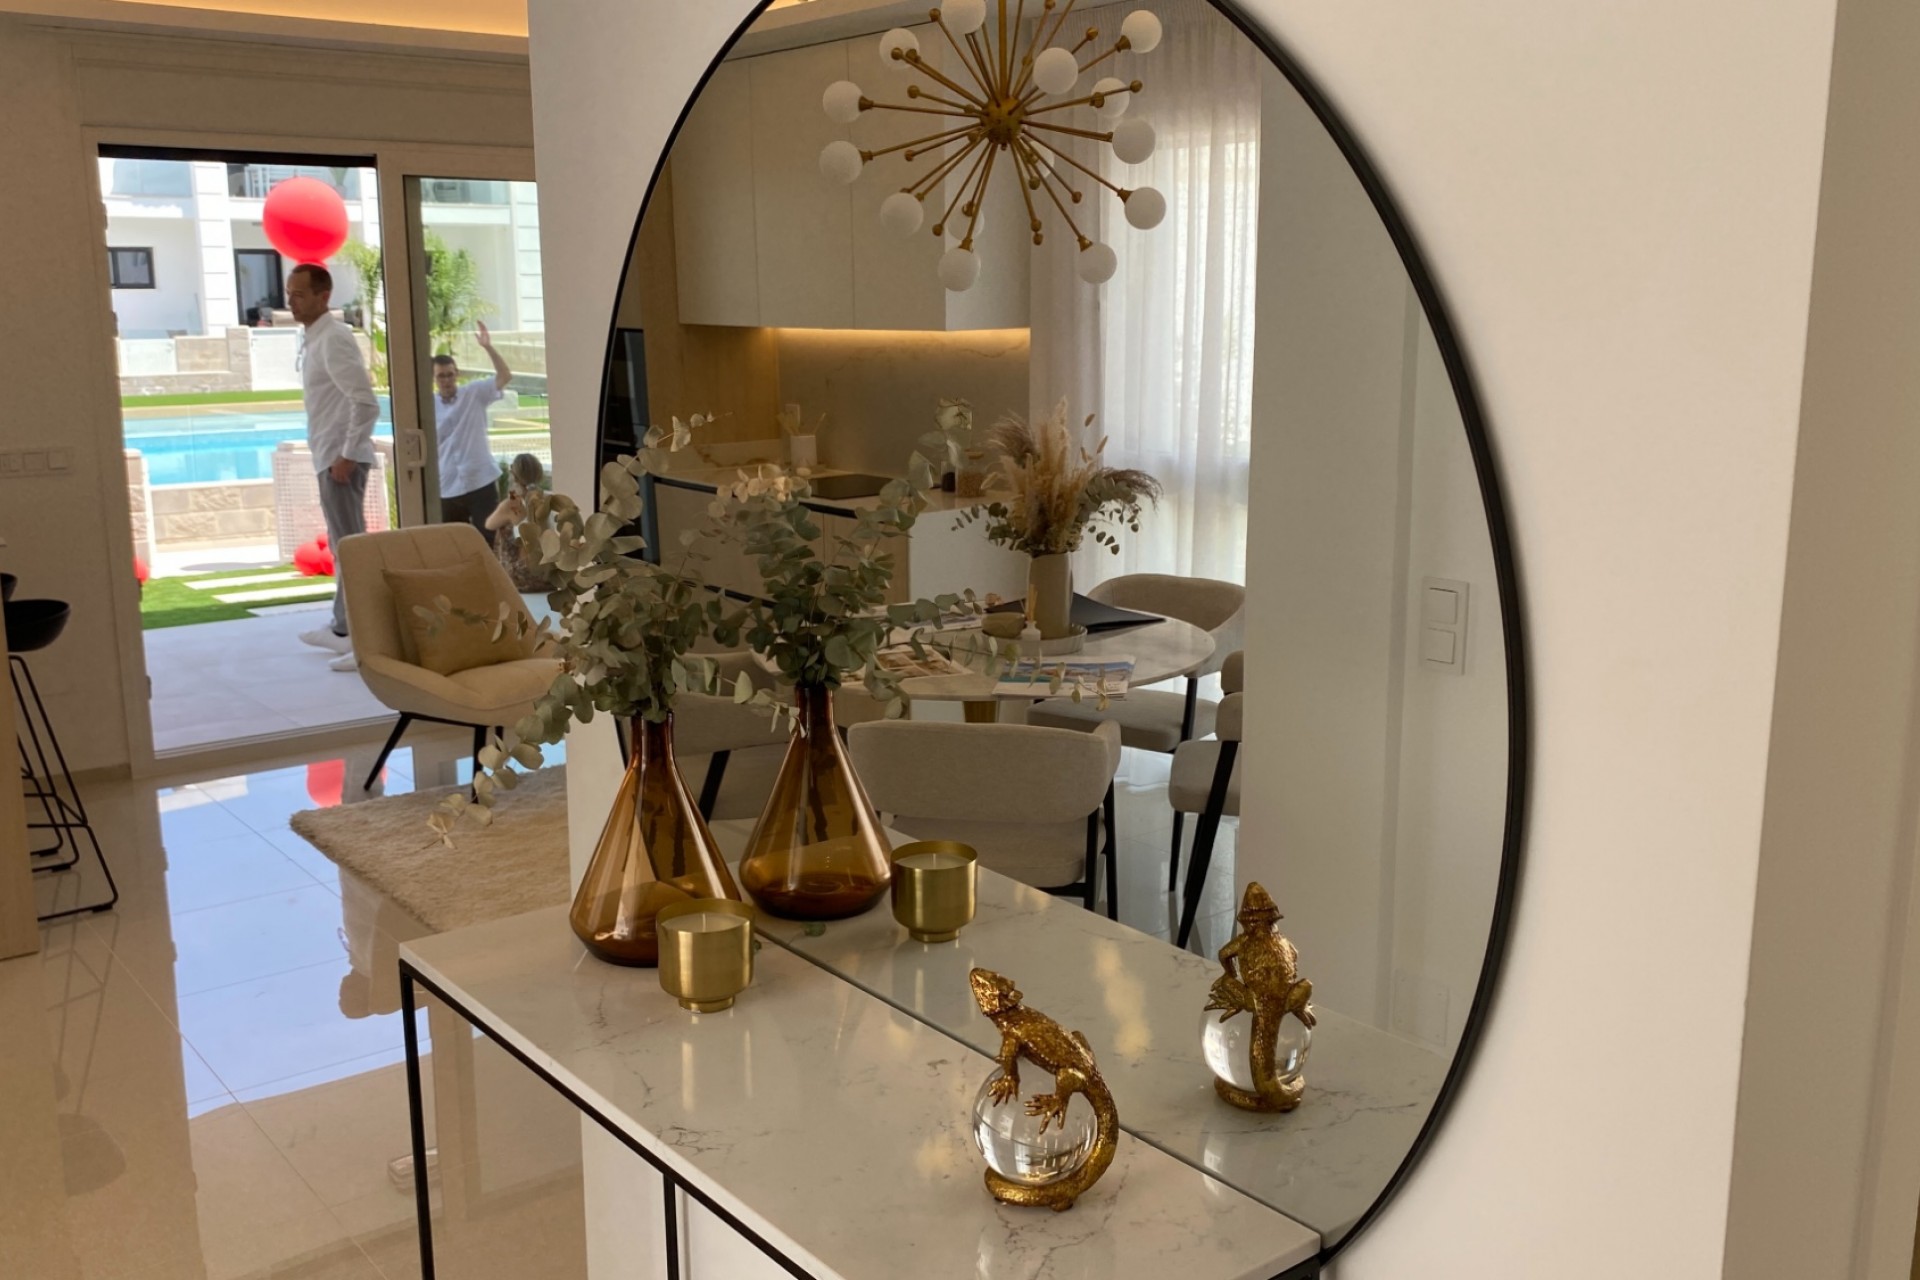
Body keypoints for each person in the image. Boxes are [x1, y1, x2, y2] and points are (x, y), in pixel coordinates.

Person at [287, 262, 379, 673]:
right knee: (343, 547)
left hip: (341, 461)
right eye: (289, 294)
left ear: (323, 296)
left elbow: (365, 402)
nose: (292, 301)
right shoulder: (314, 339)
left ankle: (366, 642)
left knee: (351, 552)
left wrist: (347, 454)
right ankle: (343, 628)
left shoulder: (334, 339)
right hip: (329, 455)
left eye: (300, 294)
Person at [433, 321, 513, 543]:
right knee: (452, 545)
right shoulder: (427, 405)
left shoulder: (474, 393)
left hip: (480, 481)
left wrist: (488, 347)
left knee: (488, 541)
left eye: (450, 375)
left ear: (456, 374)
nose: (446, 380)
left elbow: (505, 376)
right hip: (448, 486)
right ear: (434, 378)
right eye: (441, 376)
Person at [486, 452, 550, 592]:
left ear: (513, 475)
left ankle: (502, 571)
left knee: (503, 528)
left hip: (523, 578)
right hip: (551, 574)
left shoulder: (512, 503)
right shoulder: (549, 497)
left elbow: (489, 524)